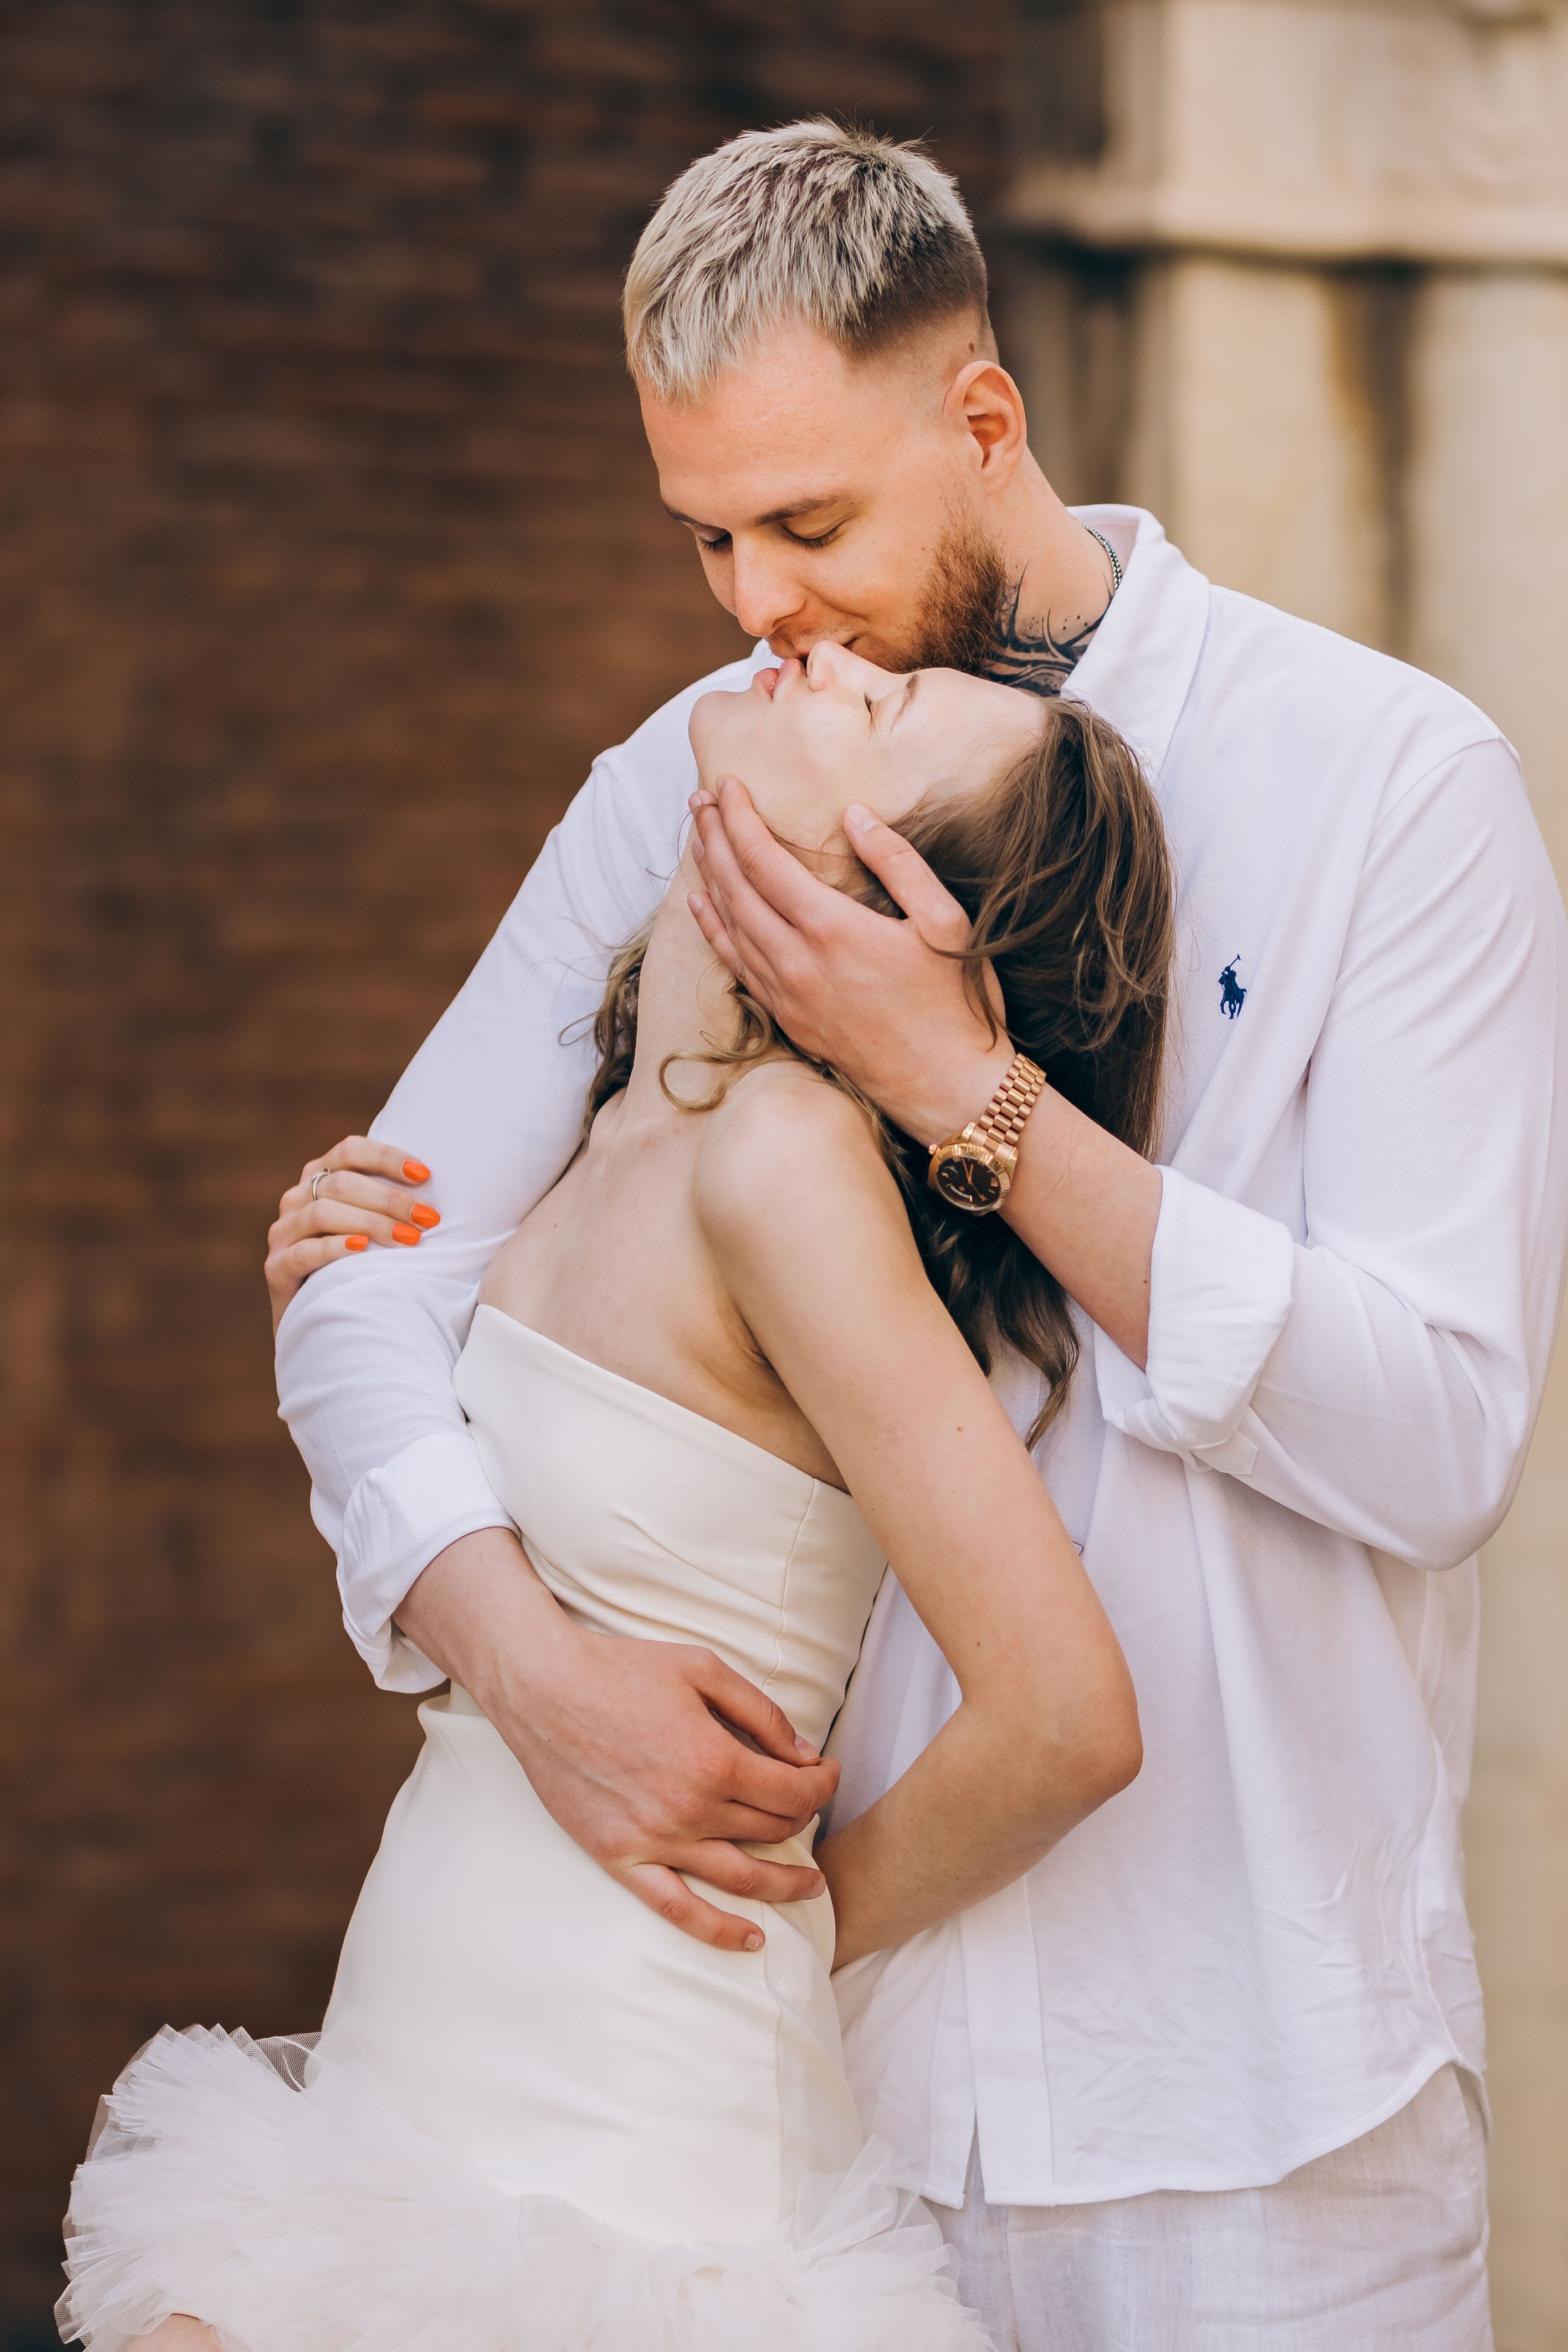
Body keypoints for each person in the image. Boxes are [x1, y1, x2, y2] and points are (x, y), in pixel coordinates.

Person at [105, 122, 1568, 2350]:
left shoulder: (1393, 784)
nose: (758, 608)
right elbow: (371, 1272)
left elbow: (1440, 1437)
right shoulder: (694, 778)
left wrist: (956, 1096)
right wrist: (522, 1661)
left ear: (982, 418)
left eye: (809, 525)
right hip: (763, 2145)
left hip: (1254, 2124)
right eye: (707, 537)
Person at [59, 649, 1159, 2349]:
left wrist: (797, 1918)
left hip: (635, 2153)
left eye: (881, 716)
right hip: (406, 2069)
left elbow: (1069, 1713)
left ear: (903, 914)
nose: (827, 660)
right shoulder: (617, 1117)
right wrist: (330, 1291)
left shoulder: (783, 1164)